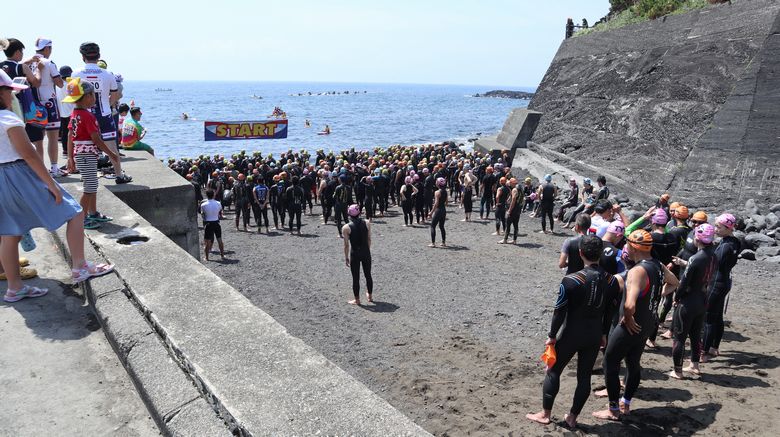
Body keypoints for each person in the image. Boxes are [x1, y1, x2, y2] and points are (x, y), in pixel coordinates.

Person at [0, 70, 113, 302]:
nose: (13, 96)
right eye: (10, 91)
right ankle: (80, 266)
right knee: (75, 212)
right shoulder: (8, 120)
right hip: (19, 173)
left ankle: (14, 287)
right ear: (2, 93)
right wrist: (50, 183)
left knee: (9, 232)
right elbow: (29, 155)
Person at [527, 235, 620, 428]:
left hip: (571, 333)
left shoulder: (571, 280)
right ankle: (572, 417)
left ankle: (545, 414)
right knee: (584, 376)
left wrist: (552, 336)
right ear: (601, 254)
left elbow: (559, 311)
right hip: (594, 334)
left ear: (580, 253)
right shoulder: (612, 281)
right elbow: (611, 311)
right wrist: (604, 334)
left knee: (553, 371)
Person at [592, 230, 678, 420]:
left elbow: (629, 304)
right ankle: (626, 403)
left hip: (631, 326)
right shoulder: (657, 265)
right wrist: (655, 296)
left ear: (632, 247)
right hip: (647, 323)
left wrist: (628, 318)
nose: (624, 248)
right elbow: (674, 283)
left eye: (627, 245)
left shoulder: (636, 271)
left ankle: (613, 409)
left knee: (610, 362)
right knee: (633, 363)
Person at [63, 78, 121, 229]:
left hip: (81, 154)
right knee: (89, 187)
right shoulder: (88, 116)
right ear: (87, 97)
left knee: (92, 184)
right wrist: (110, 154)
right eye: (93, 95)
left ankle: (93, 212)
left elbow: (70, 135)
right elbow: (96, 138)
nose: (94, 98)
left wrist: (70, 157)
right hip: (87, 155)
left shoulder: (75, 114)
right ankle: (81, 218)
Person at [72, 42, 131, 183]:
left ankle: (85, 175)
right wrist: (108, 105)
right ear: (98, 56)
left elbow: (73, 96)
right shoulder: (107, 74)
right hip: (104, 114)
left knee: (84, 146)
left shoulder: (76, 73)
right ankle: (119, 175)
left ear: (82, 57)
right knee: (111, 147)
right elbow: (116, 95)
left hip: (83, 114)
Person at [668, 223, 717, 379]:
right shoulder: (713, 255)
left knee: (679, 337)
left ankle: (677, 371)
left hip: (689, 301)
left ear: (697, 238)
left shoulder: (696, 258)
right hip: (703, 299)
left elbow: (684, 282)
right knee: (696, 335)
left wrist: (677, 297)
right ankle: (694, 365)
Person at [702, 214, 741, 360]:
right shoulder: (734, 242)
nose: (715, 229)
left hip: (716, 283)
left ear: (728, 227)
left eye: (718, 227)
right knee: (717, 317)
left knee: (708, 319)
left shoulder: (724, 247)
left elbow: (711, 265)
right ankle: (714, 348)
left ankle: (703, 353)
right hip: (724, 281)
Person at [1, 38, 45, 157]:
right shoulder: (21, 67)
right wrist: (38, 70)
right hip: (24, 109)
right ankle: (39, 170)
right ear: (17, 52)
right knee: (37, 140)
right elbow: (36, 82)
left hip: (6, 109)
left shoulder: (1, 67)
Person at [30, 38, 65, 176]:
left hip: (34, 103)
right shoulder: (49, 62)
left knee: (37, 138)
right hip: (49, 103)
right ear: (47, 49)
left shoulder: (28, 61)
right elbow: (60, 83)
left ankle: (38, 169)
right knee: (52, 138)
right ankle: (54, 168)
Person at [342, 204, 372, 305]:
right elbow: (369, 238)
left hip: (355, 253)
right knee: (368, 274)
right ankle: (370, 296)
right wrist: (367, 250)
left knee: (356, 277)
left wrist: (346, 257)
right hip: (365, 251)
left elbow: (346, 245)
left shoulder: (346, 227)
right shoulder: (367, 222)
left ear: (349, 215)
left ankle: (357, 299)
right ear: (359, 213)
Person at [200, 189, 224, 261]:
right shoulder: (218, 203)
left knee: (207, 241)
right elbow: (220, 213)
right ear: (213, 195)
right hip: (216, 222)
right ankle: (222, 255)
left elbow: (202, 214)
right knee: (219, 239)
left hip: (208, 223)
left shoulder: (203, 205)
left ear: (206, 195)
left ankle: (207, 257)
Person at [501, 178, 523, 244]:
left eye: (510, 183)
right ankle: (514, 240)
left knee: (508, 225)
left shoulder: (514, 189)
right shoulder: (521, 189)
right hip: (518, 209)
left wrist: (509, 210)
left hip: (513, 209)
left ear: (512, 183)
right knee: (516, 225)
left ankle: (505, 240)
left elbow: (513, 200)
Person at [428, 177, 448, 247]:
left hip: (438, 210)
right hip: (443, 210)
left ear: (438, 183)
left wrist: (431, 212)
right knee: (442, 226)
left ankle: (433, 243)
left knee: (433, 226)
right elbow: (446, 203)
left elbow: (436, 203)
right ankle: (443, 242)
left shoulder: (437, 192)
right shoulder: (445, 191)